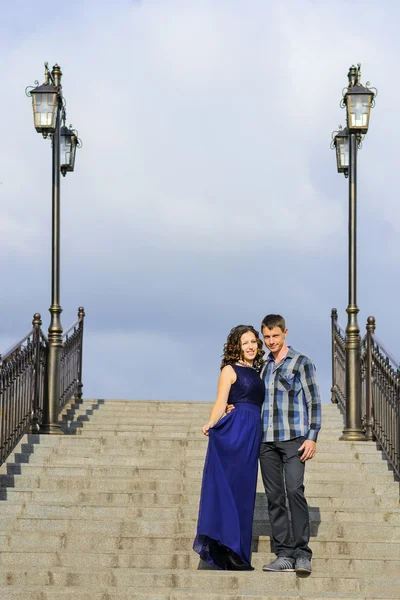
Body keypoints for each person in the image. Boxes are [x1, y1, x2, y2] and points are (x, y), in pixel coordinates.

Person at [228, 314, 322, 576]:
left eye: (275, 336)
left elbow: (313, 401)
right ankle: (284, 554)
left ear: (285, 333)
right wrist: (233, 405)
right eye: (266, 337)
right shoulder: (262, 367)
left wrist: (312, 436)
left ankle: (302, 553)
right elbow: (250, 394)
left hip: (294, 440)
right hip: (265, 442)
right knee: (274, 498)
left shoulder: (302, 363)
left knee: (294, 490)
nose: (270, 341)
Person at [193, 325, 265, 570]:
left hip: (253, 432)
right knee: (231, 488)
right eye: (245, 342)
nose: (251, 346)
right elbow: (221, 402)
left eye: (254, 341)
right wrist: (212, 423)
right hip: (234, 433)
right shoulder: (229, 370)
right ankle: (227, 544)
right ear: (236, 345)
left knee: (245, 491)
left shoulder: (259, 372)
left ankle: (237, 549)